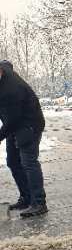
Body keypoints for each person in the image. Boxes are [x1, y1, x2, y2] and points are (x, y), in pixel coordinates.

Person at [0, 60, 48, 217]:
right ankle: (27, 198)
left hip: (29, 125)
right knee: (13, 162)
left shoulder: (11, 90)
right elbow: (7, 62)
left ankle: (39, 203)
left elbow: (12, 120)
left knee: (28, 162)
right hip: (15, 125)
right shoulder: (5, 71)